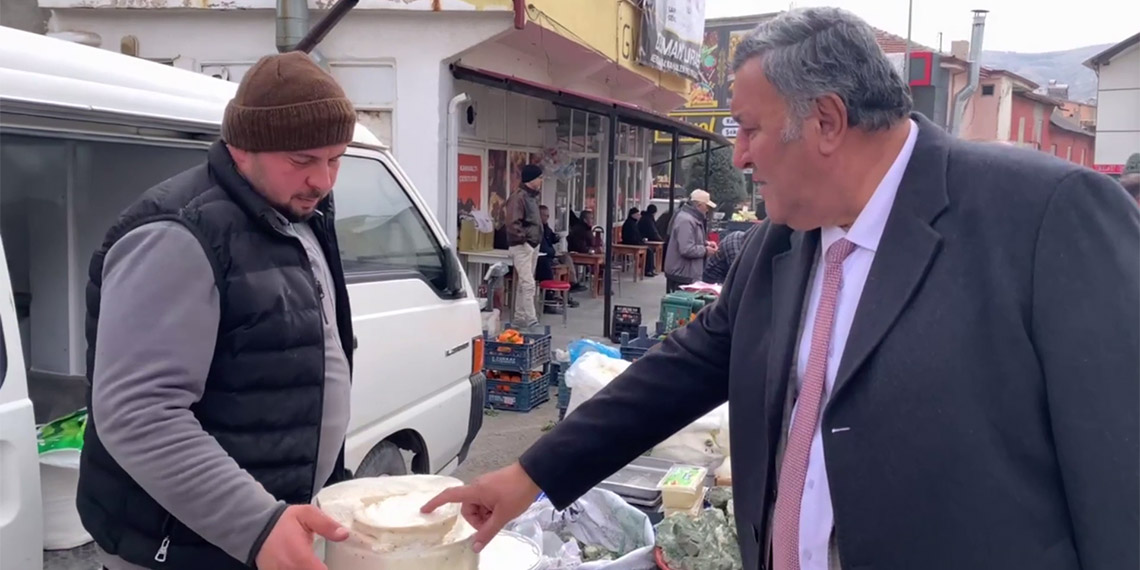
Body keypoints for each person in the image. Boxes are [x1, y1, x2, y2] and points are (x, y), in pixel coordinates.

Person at [423, 8, 1139, 570]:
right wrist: (528, 475)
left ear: (826, 121)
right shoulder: (781, 246)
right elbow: (681, 371)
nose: (737, 156)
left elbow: (1118, 471)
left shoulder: (1044, 217)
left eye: (749, 130)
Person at [79, 52, 359, 570]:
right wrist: (256, 524)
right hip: (181, 547)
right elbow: (138, 413)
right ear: (241, 147)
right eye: (303, 160)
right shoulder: (178, 234)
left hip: (255, 533)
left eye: (336, 158)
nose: (324, 180)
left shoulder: (296, 212)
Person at [504, 164, 544, 328]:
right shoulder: (518, 197)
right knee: (528, 283)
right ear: (532, 180)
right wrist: (524, 241)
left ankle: (520, 318)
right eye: (539, 177)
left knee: (524, 283)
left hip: (531, 245)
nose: (542, 180)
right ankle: (531, 319)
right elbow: (512, 222)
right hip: (523, 246)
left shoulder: (530, 197)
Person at [663, 189, 718, 292]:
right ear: (699, 205)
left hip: (684, 272)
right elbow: (686, 249)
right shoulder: (686, 220)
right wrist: (706, 250)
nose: (707, 210)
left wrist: (707, 243)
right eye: (707, 206)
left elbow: (690, 240)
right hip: (682, 274)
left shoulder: (690, 218)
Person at [621, 207, 657, 276]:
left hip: (635, 242)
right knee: (648, 251)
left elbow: (637, 234)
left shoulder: (634, 223)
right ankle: (647, 270)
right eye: (637, 214)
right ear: (633, 215)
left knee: (650, 249)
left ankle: (651, 269)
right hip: (630, 243)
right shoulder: (629, 223)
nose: (639, 216)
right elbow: (630, 236)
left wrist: (642, 239)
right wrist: (639, 241)